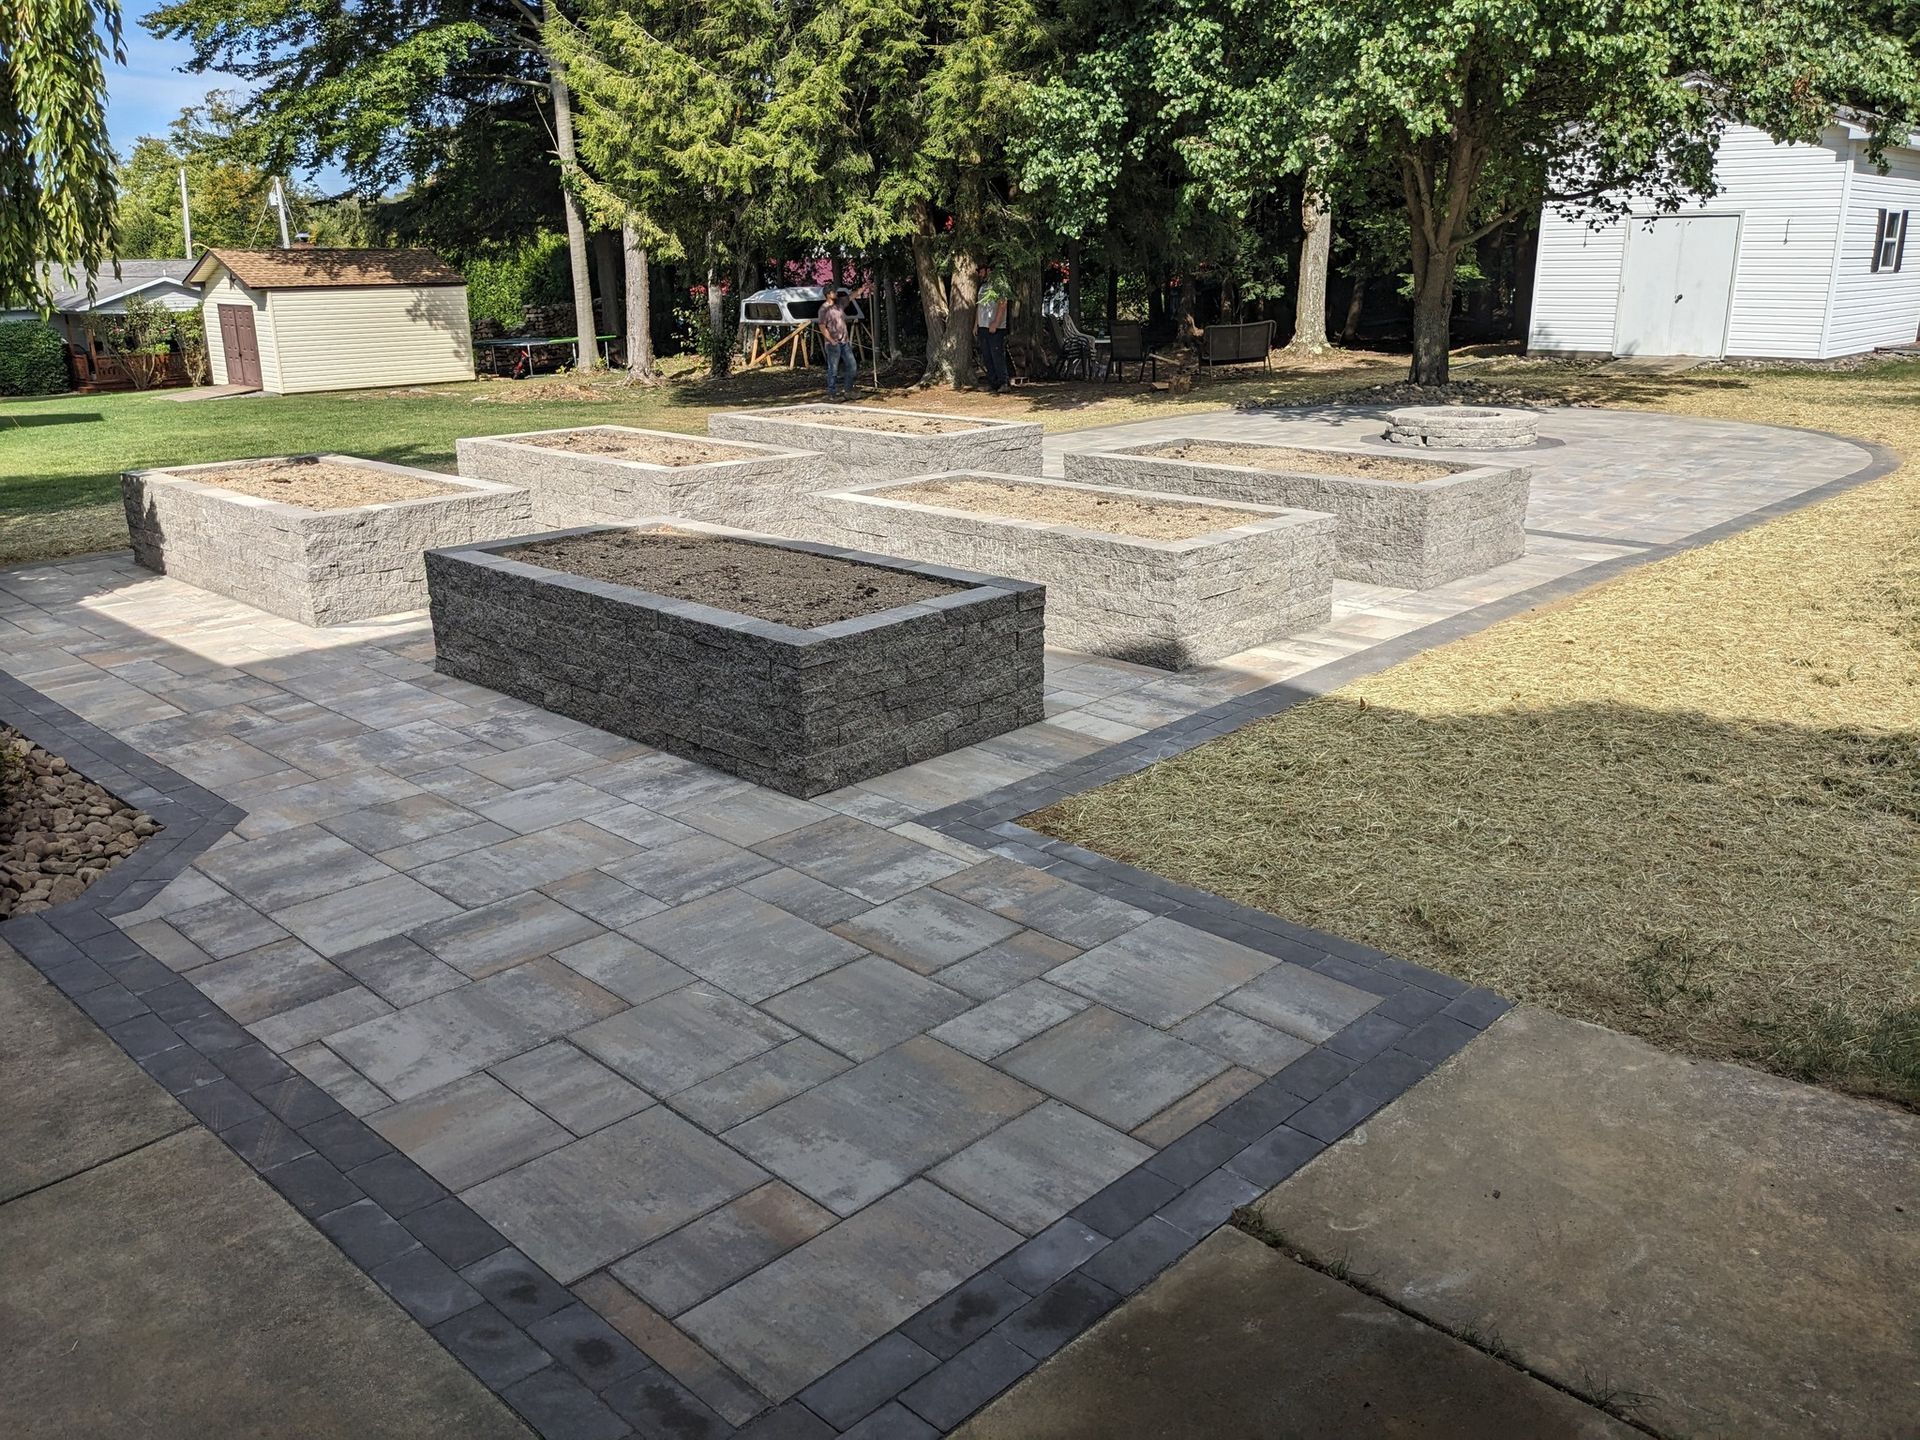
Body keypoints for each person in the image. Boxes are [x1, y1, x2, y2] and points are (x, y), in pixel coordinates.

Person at [974, 264, 1010, 394]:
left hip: (996, 327)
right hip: (983, 326)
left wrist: (996, 322)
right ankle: (993, 382)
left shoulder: (1000, 284)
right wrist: (976, 324)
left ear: (988, 270)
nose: (979, 274)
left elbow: (1002, 304)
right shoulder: (983, 287)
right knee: (987, 356)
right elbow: (979, 306)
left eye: (980, 270)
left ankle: (1003, 382)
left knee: (997, 355)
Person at [819, 285, 855, 400]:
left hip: (845, 342)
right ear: (828, 295)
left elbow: (851, 297)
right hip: (832, 344)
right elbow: (822, 327)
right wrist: (831, 340)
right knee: (833, 369)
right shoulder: (823, 309)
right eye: (833, 292)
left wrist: (863, 289)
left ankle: (848, 391)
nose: (836, 294)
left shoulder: (839, 304)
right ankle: (832, 394)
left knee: (852, 366)